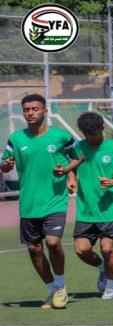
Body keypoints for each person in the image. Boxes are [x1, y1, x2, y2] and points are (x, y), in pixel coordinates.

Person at [1, 94, 75, 309]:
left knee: (53, 242)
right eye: (26, 109)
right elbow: (4, 165)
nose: (30, 113)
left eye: (35, 109)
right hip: (29, 203)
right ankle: (52, 289)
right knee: (34, 249)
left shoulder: (61, 136)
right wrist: (5, 166)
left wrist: (70, 175)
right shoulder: (16, 139)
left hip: (55, 200)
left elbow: (77, 157)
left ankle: (60, 286)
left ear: (45, 111)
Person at [68, 112, 113, 300]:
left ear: (102, 128)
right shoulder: (77, 148)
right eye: (87, 134)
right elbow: (71, 168)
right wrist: (71, 179)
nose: (91, 138)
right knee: (81, 250)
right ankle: (102, 268)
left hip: (110, 209)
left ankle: (111, 288)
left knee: (107, 249)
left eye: (94, 133)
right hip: (86, 210)